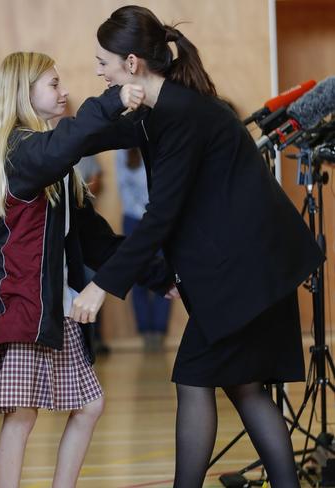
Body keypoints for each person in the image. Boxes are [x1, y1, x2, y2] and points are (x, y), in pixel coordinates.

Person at [70, 6, 324, 488]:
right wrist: (39, 147)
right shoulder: (160, 110)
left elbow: (161, 215)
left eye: (102, 61)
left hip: (248, 273)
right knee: (245, 388)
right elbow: (96, 132)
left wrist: (102, 286)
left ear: (131, 64)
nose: (97, 71)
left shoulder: (182, 116)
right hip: (250, 270)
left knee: (196, 378)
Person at [0, 51, 151, 488]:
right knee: (21, 415)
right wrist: (111, 101)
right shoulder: (22, 151)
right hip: (24, 309)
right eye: (53, 84)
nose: (64, 91)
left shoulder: (55, 163)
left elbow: (94, 239)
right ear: (23, 94)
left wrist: (158, 276)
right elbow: (69, 142)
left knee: (88, 405)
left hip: (56, 307)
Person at [115, 147, 170, 351]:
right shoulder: (122, 151)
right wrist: (142, 212)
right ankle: (145, 331)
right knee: (136, 278)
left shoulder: (159, 145)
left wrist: (152, 213)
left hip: (157, 217)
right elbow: (123, 186)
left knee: (164, 274)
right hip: (133, 218)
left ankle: (159, 331)